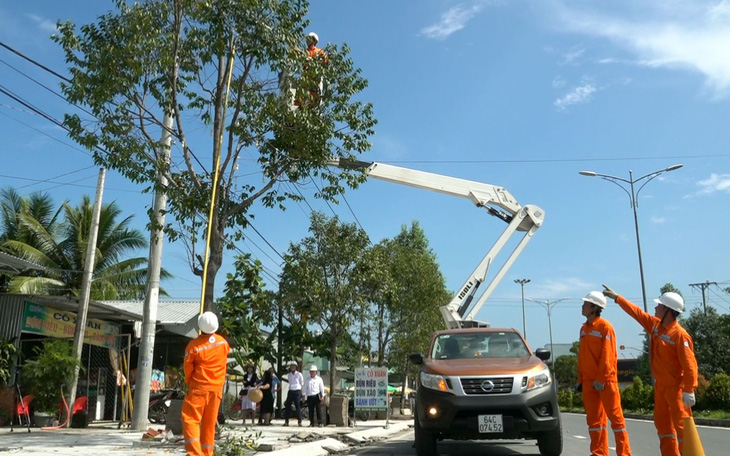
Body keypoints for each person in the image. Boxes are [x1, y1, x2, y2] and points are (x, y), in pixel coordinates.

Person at [603, 285, 698, 456]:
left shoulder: (680, 335)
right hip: (660, 388)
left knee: (682, 430)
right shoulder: (656, 326)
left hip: (676, 389)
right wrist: (617, 298)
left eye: (659, 306)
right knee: (663, 427)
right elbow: (636, 313)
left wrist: (689, 390)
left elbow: (690, 365)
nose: (655, 308)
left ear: (668, 310)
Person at [577, 291, 632, 456]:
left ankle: (624, 453)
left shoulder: (605, 327)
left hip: (606, 382)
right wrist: (580, 379)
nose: (583, 305)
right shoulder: (583, 329)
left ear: (594, 307)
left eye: (586, 303)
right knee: (594, 422)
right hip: (588, 382)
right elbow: (582, 357)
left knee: (616, 420)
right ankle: (599, 452)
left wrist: (601, 379)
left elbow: (609, 356)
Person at [182, 312, 230, 456]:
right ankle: (207, 452)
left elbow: (188, 368)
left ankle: (196, 454)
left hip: (198, 388)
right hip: (216, 389)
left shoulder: (194, 346)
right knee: (209, 423)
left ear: (200, 326)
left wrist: (189, 381)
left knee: (190, 420)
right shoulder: (223, 342)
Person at [283, 360, 304, 426]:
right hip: (291, 391)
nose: (292, 367)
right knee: (288, 406)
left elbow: (302, 383)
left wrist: (302, 394)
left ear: (296, 367)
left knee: (297, 406)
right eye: (291, 366)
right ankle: (286, 421)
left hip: (297, 391)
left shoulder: (299, 374)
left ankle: (300, 421)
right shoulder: (289, 374)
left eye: (293, 366)